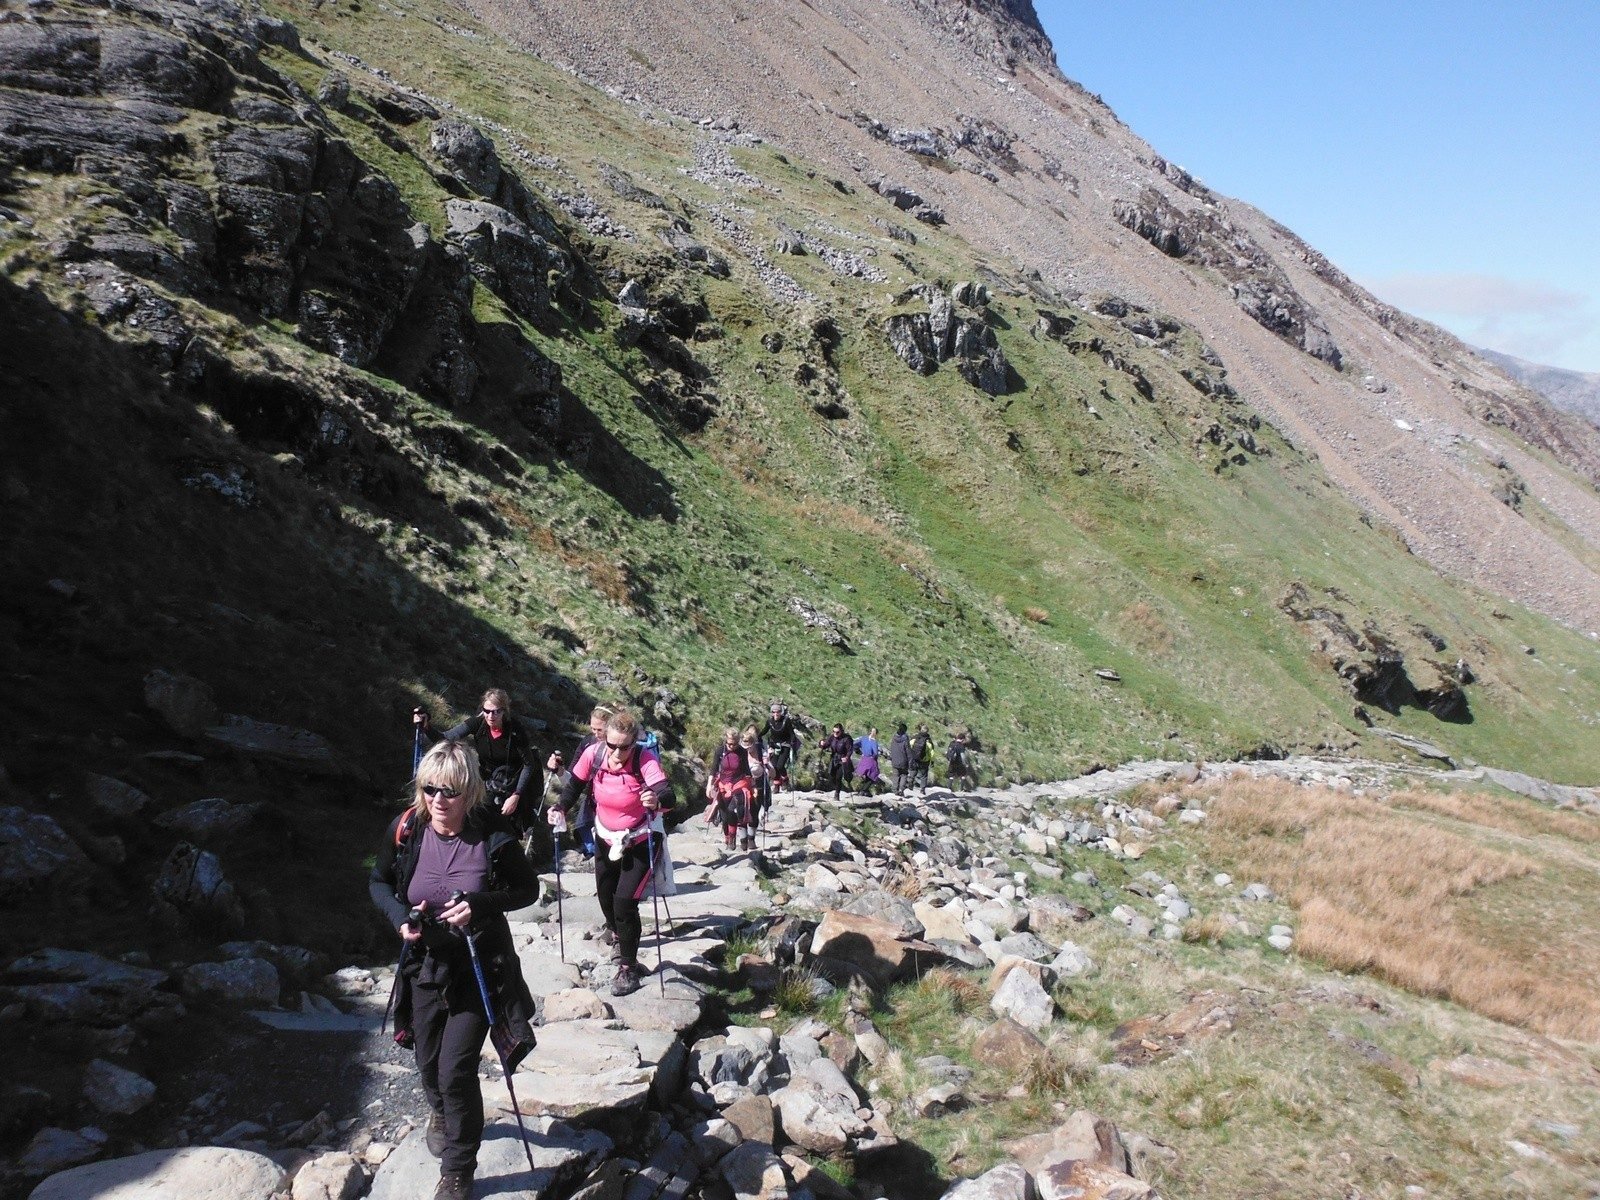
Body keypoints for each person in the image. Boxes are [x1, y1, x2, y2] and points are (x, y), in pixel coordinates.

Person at [370, 740, 539, 1200]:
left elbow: (528, 890)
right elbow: (378, 881)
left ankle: (458, 1170)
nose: (438, 801)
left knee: (455, 1070)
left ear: (470, 792)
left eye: (450, 791)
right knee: (426, 1062)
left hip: (481, 968)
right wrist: (401, 917)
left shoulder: (493, 835)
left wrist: (479, 904)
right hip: (424, 965)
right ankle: (442, 1113)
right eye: (429, 790)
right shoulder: (407, 829)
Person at [552, 708, 675, 996]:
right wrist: (559, 809)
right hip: (606, 837)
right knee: (606, 896)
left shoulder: (644, 759)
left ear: (635, 743)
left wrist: (656, 800)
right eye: (612, 745)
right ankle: (621, 936)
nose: (618, 752)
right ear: (604, 739)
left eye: (624, 746)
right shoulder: (594, 754)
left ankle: (628, 968)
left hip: (641, 839)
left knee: (624, 902)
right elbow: (574, 786)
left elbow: (668, 794)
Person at [416, 689, 540, 837]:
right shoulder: (478, 723)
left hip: (514, 778)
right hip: (488, 775)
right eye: (486, 711)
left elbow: (529, 764)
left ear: (504, 711)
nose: (490, 716)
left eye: (496, 712)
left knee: (511, 820)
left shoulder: (515, 730)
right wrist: (426, 726)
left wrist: (516, 795)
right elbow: (446, 739)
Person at [546, 705, 611, 860]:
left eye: (599, 730)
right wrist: (559, 770)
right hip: (595, 804)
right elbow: (574, 782)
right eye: (592, 729)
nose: (595, 734)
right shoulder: (588, 743)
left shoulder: (625, 747)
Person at [705, 727, 755, 853]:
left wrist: (752, 784)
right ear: (726, 741)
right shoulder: (719, 751)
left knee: (732, 810)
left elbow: (746, 769)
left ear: (738, 741)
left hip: (738, 783)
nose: (731, 746)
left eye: (734, 743)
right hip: (722, 785)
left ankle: (732, 838)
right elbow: (714, 769)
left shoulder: (742, 752)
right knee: (725, 815)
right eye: (729, 743)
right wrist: (709, 785)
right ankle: (727, 836)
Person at [759, 703, 801, 793]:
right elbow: (764, 730)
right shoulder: (770, 722)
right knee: (774, 766)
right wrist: (757, 736)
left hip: (785, 745)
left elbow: (791, 733)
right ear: (771, 713)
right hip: (774, 746)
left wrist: (792, 742)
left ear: (781, 712)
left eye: (778, 712)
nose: (776, 714)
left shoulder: (786, 721)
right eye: (773, 712)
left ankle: (785, 780)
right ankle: (776, 785)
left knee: (780, 765)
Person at [740, 726, 768, 849]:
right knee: (741, 811)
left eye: (749, 747)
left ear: (754, 743)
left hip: (758, 784)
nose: (747, 749)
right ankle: (743, 840)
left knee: (754, 811)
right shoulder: (739, 752)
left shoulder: (761, 751)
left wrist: (767, 766)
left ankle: (751, 839)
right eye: (744, 747)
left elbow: (772, 772)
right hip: (742, 785)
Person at [818, 723, 853, 800]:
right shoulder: (832, 737)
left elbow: (850, 750)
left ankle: (837, 794)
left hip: (842, 760)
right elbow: (826, 744)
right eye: (834, 731)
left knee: (838, 777)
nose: (835, 733)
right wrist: (821, 743)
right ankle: (837, 788)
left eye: (837, 732)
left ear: (841, 731)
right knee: (832, 776)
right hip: (834, 759)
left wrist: (847, 757)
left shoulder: (847, 738)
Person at [854, 726, 883, 796]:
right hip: (871, 760)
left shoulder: (863, 738)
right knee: (873, 776)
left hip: (864, 759)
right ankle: (863, 790)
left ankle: (865, 791)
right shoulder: (874, 742)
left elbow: (855, 744)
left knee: (867, 775)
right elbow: (875, 753)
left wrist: (858, 751)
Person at [887, 722, 912, 797]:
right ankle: (901, 789)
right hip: (903, 761)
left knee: (896, 775)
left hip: (895, 760)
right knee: (904, 775)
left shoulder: (894, 737)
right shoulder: (905, 738)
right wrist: (910, 761)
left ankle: (895, 790)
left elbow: (891, 748)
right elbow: (908, 751)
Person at [909, 722, 933, 794]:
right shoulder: (928, 740)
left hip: (915, 758)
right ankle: (922, 789)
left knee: (914, 771)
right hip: (925, 760)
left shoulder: (915, 738)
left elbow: (910, 745)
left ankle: (911, 780)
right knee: (924, 775)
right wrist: (932, 761)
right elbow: (931, 752)